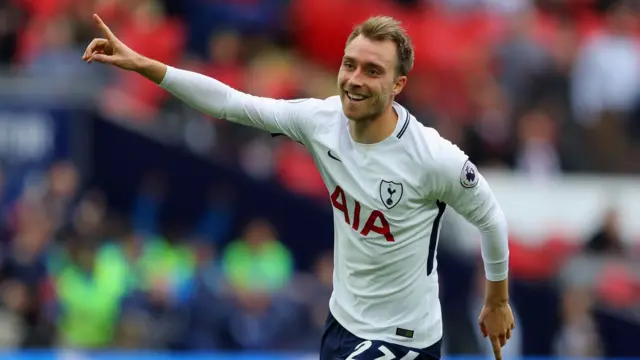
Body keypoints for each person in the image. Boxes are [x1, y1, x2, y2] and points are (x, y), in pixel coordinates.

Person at [82, 14, 515, 360]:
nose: (355, 79)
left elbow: (490, 218)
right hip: (343, 325)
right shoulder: (322, 122)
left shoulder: (432, 157)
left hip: (404, 339)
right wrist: (144, 64)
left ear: (398, 85)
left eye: (372, 70)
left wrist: (497, 300)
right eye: (350, 65)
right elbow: (233, 103)